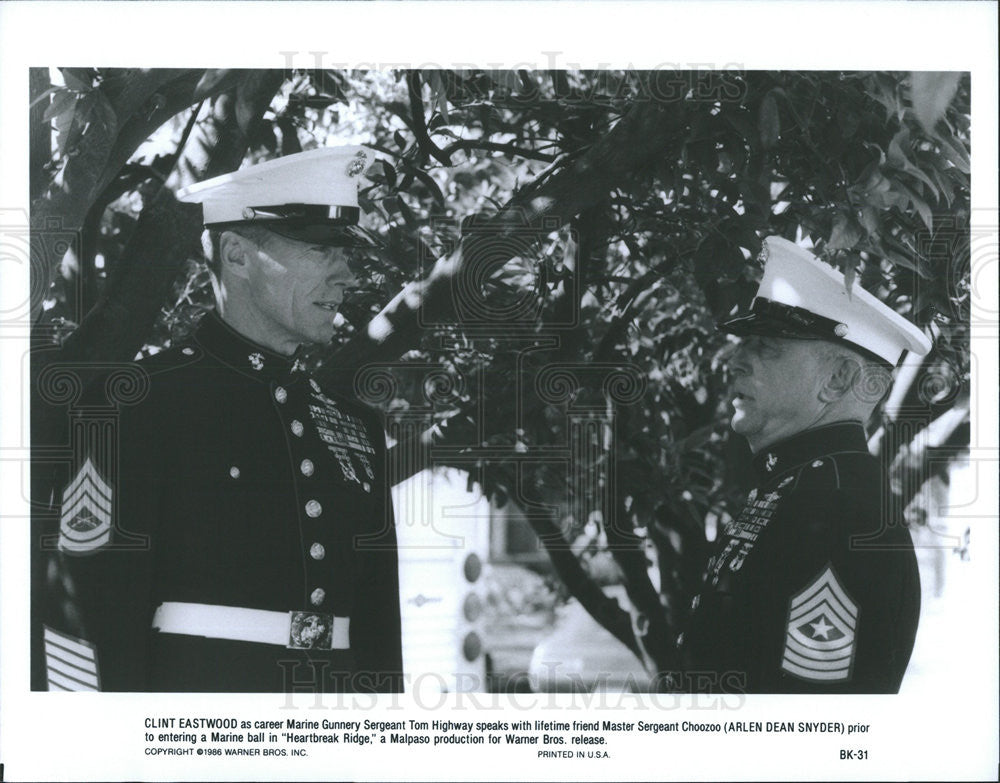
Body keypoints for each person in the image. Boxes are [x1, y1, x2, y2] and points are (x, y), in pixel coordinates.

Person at [35, 146, 403, 693]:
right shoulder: (133, 404)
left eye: (347, 253)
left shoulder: (355, 426)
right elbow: (82, 617)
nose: (347, 275)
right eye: (322, 249)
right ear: (236, 255)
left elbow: (377, 632)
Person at [678, 235, 931, 693]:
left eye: (766, 347)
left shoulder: (835, 507)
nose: (735, 360)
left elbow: (806, 732)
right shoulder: (798, 489)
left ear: (837, 380)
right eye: (743, 345)